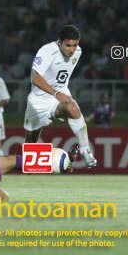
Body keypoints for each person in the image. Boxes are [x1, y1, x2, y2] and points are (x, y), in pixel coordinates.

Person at [24, 25, 97, 168]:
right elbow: (35, 78)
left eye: (75, 45)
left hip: (60, 97)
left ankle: (86, 151)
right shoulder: (46, 52)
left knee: (73, 108)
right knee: (31, 143)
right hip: (39, 100)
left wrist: (59, 94)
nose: (72, 49)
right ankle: (30, 172)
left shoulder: (78, 52)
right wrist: (56, 93)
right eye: (68, 45)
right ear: (60, 42)